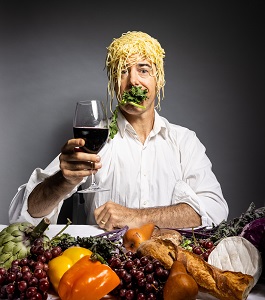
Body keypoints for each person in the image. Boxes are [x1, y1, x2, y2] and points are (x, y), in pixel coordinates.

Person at [9, 31, 228, 231]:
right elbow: (23, 219)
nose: (133, 80)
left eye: (143, 70)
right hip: (103, 267)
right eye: (123, 72)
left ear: (158, 80)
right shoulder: (95, 140)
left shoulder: (184, 141)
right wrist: (63, 181)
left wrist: (136, 217)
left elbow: (215, 209)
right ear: (114, 84)